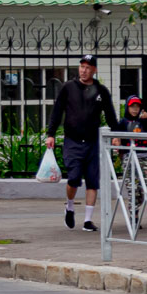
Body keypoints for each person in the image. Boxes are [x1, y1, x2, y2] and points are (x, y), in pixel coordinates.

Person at [45, 53, 119, 232]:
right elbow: (57, 111)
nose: (84, 70)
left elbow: (110, 114)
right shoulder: (68, 87)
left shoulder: (101, 91)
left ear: (94, 70)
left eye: (87, 67)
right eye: (82, 67)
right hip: (73, 141)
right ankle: (69, 206)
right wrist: (51, 133)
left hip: (93, 142)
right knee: (74, 178)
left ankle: (87, 220)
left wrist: (116, 134)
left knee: (93, 181)